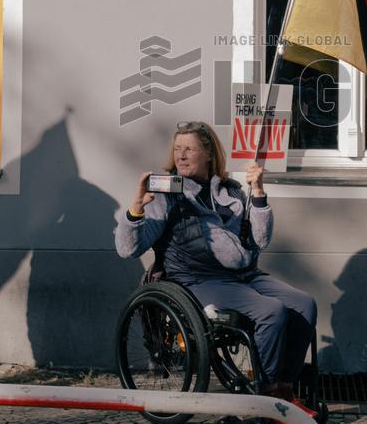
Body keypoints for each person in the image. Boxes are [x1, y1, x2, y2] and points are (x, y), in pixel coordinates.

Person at [115, 120, 317, 407]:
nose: (181, 156)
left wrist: (258, 191)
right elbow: (128, 249)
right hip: (197, 280)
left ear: (208, 154)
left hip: (243, 275)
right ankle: (268, 392)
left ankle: (284, 384)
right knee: (271, 312)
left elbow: (259, 240)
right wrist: (136, 208)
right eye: (177, 149)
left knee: (304, 304)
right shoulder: (166, 194)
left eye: (189, 149)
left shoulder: (230, 191)